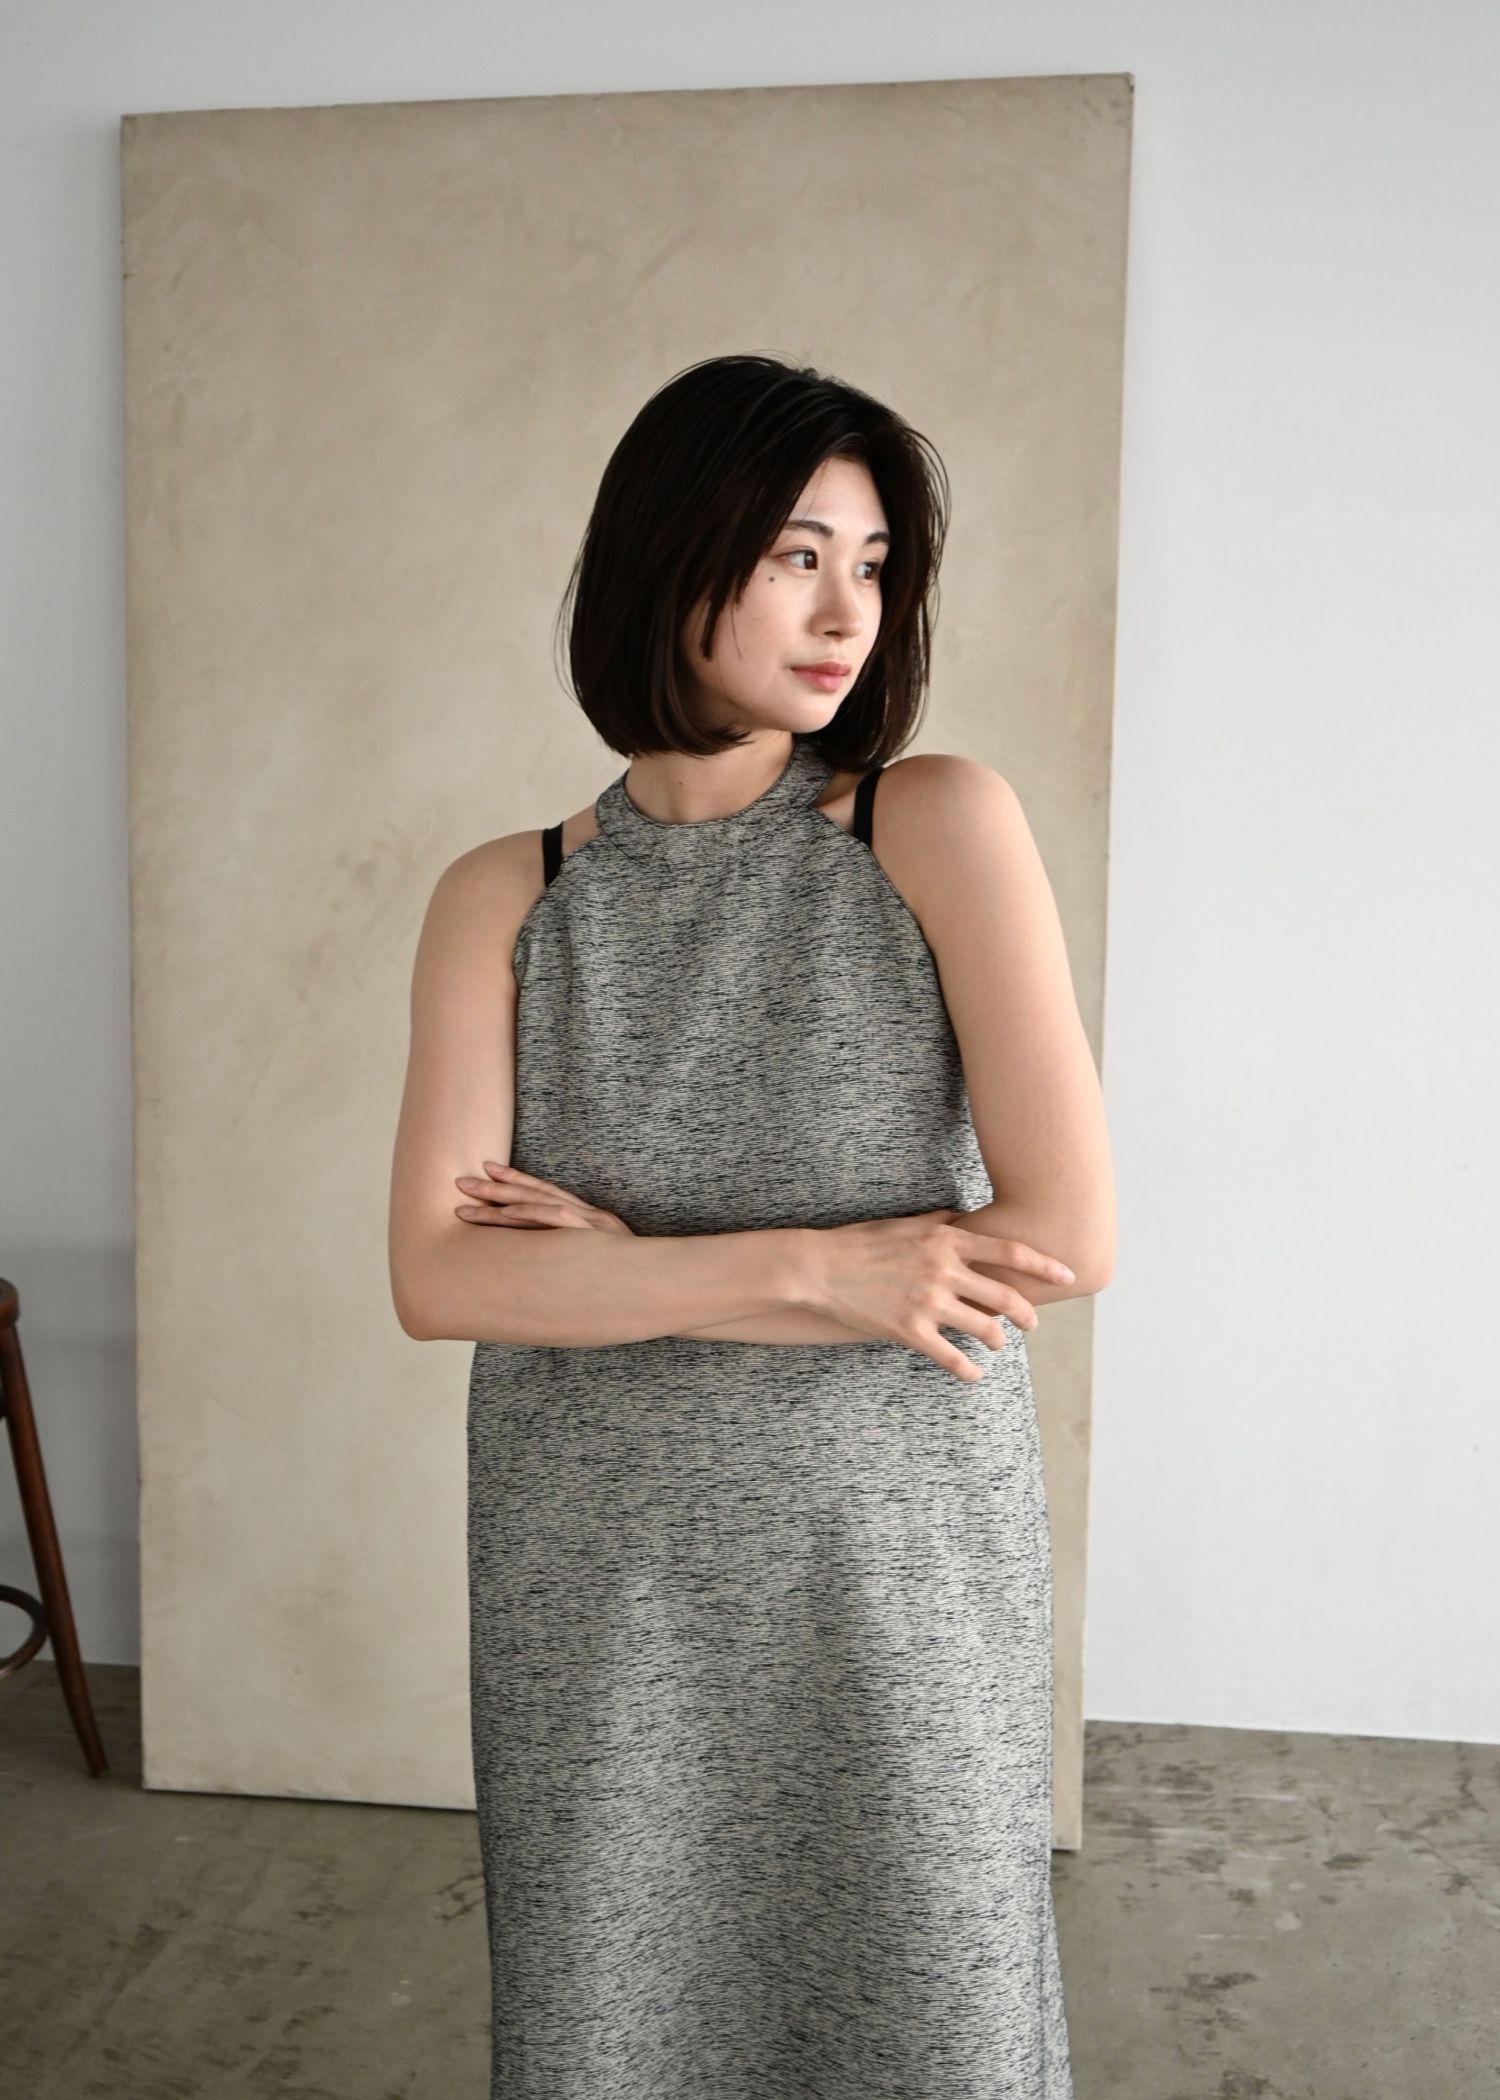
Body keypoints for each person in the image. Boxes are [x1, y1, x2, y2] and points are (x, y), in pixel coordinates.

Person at [388, 352, 1114, 2098]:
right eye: (798, 555)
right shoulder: (510, 895)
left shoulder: (933, 824)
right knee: (615, 2024)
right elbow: (436, 1276)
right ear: (674, 550)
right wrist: (828, 1267)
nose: (848, 611)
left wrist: (610, 1276)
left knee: (931, 2015)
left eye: (873, 564)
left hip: (895, 1560)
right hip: (599, 1569)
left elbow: (1067, 1234)